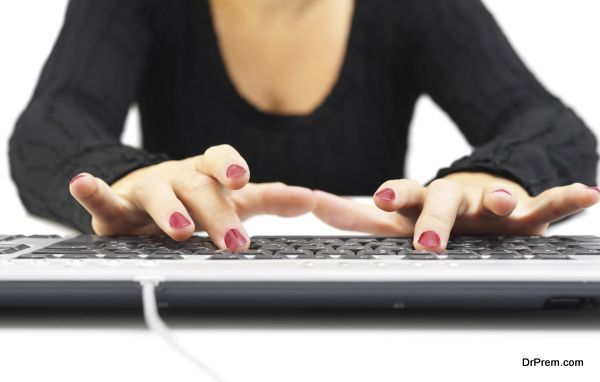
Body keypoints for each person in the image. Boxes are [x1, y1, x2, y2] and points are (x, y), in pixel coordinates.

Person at [9, 0, 599, 253]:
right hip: (174, 303)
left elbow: (547, 122)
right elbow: (49, 127)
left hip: (387, 329)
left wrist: (490, 179)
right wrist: (133, 178)